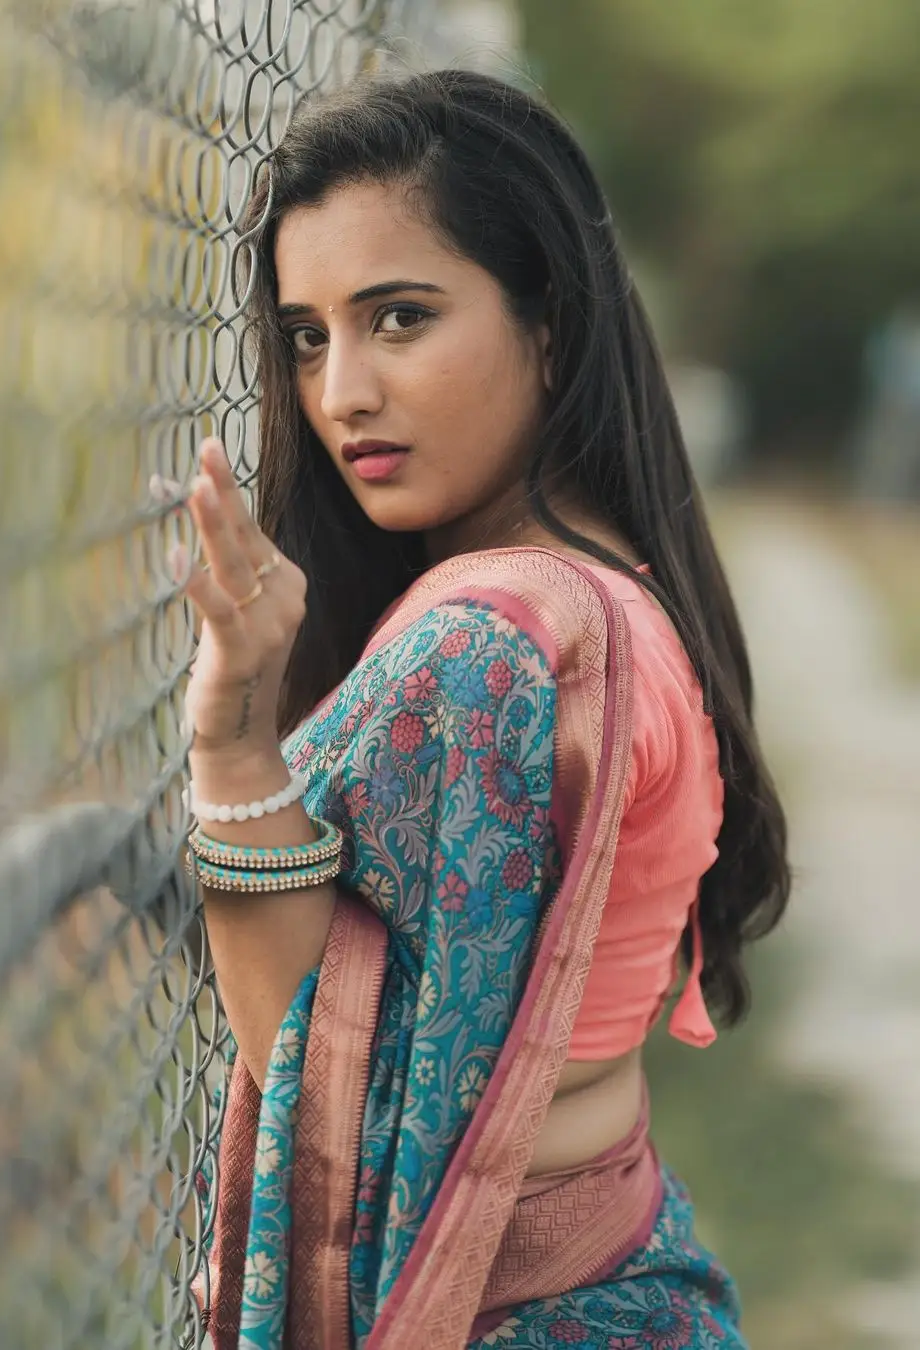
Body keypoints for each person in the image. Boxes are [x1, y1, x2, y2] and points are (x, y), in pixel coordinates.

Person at [162, 68, 790, 1349]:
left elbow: (322, 1061)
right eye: (306, 334)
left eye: (399, 319)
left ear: (547, 323)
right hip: (630, 1266)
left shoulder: (485, 645)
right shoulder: (624, 588)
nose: (340, 394)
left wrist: (231, 745)